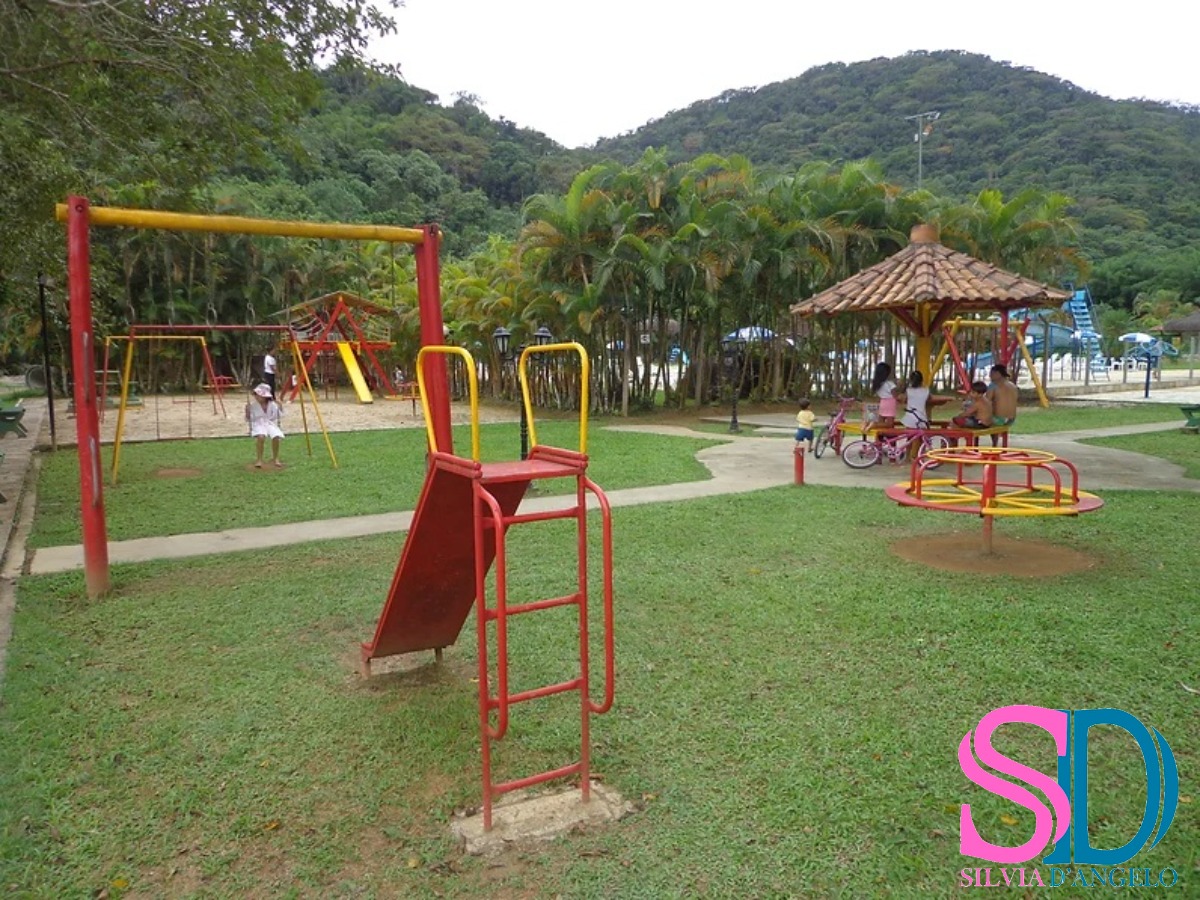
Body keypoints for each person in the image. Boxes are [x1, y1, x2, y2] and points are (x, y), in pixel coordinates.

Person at [245, 383, 285, 468]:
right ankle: (259, 459)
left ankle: (275, 458)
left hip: (269, 423)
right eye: (256, 395)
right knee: (261, 437)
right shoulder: (253, 405)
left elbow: (277, 415)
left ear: (265, 397)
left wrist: (280, 406)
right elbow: (249, 419)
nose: (257, 397)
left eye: (259, 395)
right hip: (258, 424)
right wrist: (247, 411)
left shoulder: (272, 404)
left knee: (276, 437)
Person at [870, 362, 899, 428]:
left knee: (881, 422)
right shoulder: (890, 384)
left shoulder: (877, 384)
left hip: (882, 402)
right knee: (890, 424)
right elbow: (895, 395)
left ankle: (874, 426)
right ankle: (874, 424)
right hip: (890, 403)